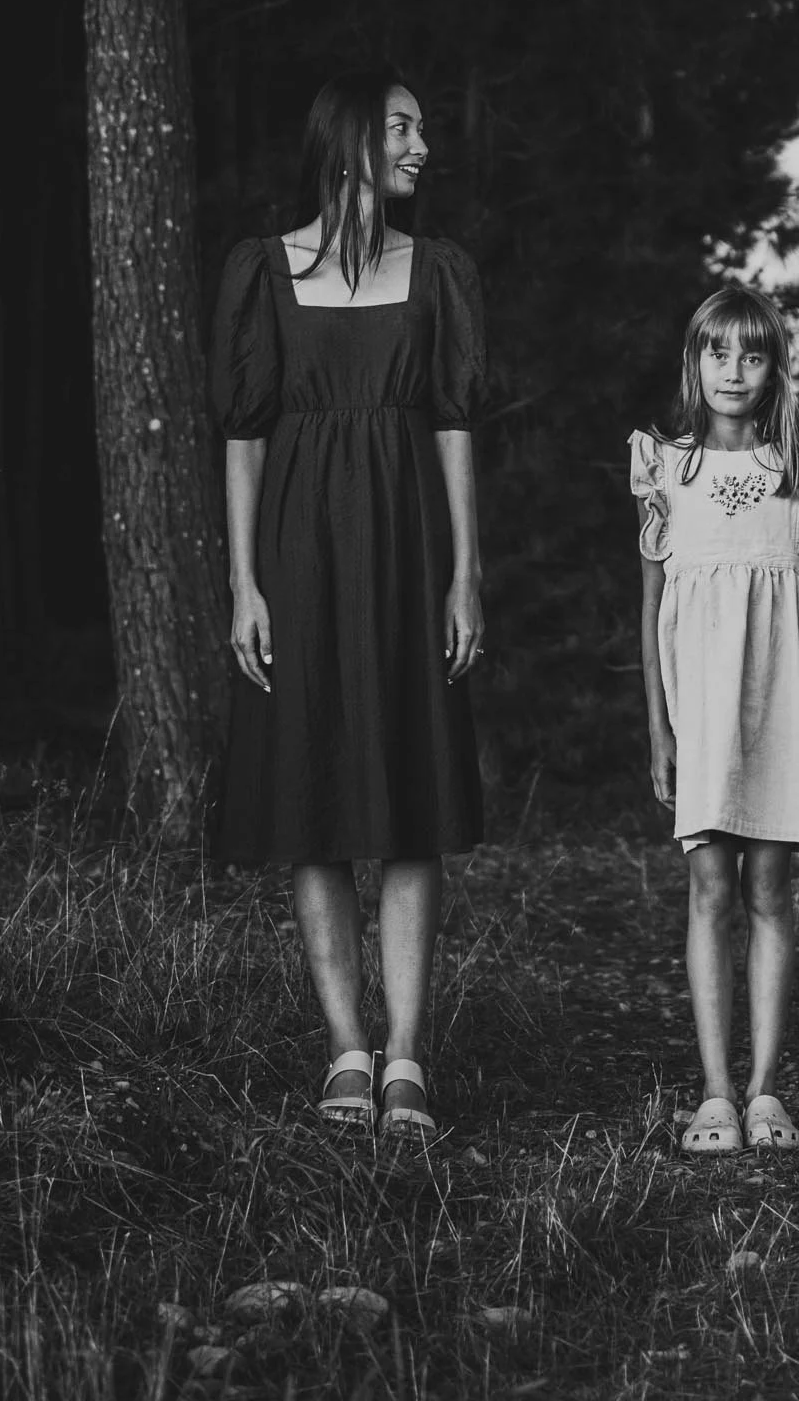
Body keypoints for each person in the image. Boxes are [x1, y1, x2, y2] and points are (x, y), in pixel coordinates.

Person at [214, 67, 486, 1139]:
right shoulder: (262, 271)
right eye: (405, 127)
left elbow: (456, 426)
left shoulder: (438, 273)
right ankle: (345, 1049)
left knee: (411, 801)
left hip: (409, 544)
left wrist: (467, 573)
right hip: (296, 548)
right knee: (308, 800)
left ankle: (409, 1055)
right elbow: (241, 435)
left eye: (424, 127)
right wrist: (242, 583)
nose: (424, 146)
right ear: (351, 140)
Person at [631, 282, 799, 1156]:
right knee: (710, 889)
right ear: (695, 362)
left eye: (751, 355)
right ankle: (714, 1092)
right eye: (717, 353)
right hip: (700, 713)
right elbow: (650, 612)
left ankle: (765, 1091)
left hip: (777, 709)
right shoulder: (667, 468)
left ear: (773, 369)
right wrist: (659, 729)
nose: (733, 370)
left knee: (770, 889)